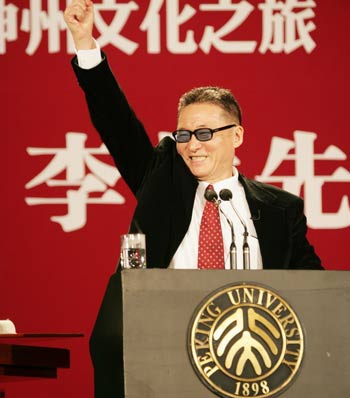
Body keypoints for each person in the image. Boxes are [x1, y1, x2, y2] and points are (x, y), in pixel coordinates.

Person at [64, 1, 323, 397]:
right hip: (160, 346)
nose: (191, 146)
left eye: (205, 133)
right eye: (183, 135)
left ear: (236, 136)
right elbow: (115, 121)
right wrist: (84, 42)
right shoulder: (163, 181)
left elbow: (317, 291)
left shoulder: (279, 210)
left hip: (251, 360)